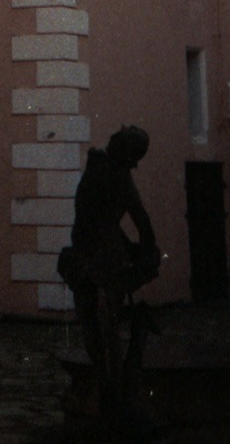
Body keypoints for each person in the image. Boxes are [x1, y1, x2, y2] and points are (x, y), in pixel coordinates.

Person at [58, 126, 160, 436]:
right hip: (92, 257)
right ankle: (110, 397)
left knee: (104, 330)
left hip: (99, 259)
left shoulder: (112, 174)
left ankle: (112, 399)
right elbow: (132, 220)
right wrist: (142, 251)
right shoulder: (108, 172)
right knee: (99, 331)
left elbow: (137, 220)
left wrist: (142, 251)